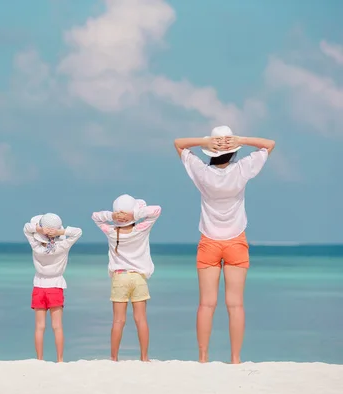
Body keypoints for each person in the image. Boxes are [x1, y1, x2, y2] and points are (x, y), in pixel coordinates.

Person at [174, 125, 275, 364]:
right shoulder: (242, 169)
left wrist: (204, 141)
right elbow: (269, 144)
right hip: (236, 241)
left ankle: (202, 358)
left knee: (206, 305)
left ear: (211, 151)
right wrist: (240, 139)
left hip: (209, 241)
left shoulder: (201, 172)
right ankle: (236, 359)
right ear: (233, 150)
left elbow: (178, 143)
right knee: (236, 305)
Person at [91, 194, 162, 361]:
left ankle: (114, 358)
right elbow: (157, 210)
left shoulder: (110, 231)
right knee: (141, 319)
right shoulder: (142, 229)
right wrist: (134, 214)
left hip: (119, 278)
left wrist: (112, 216)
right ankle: (144, 357)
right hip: (139, 278)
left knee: (118, 320)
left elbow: (95, 216)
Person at [23, 213, 82, 362]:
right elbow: (78, 232)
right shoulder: (62, 246)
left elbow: (26, 228)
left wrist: (39, 229)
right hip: (55, 286)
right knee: (57, 326)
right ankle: (60, 359)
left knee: (39, 327)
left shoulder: (36, 246)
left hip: (39, 286)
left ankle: (39, 359)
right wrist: (59, 232)